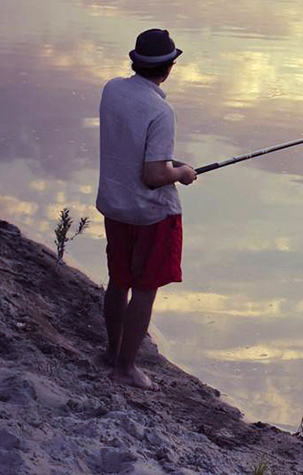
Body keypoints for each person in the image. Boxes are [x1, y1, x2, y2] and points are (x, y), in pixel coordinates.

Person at [95, 29, 197, 390]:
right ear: (169, 68)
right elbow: (154, 175)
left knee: (119, 279)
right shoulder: (161, 110)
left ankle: (112, 352)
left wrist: (169, 164)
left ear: (135, 60)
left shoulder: (112, 90)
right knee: (144, 287)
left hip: (114, 204)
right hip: (150, 213)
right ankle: (125, 369)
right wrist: (181, 173)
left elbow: (132, 146)